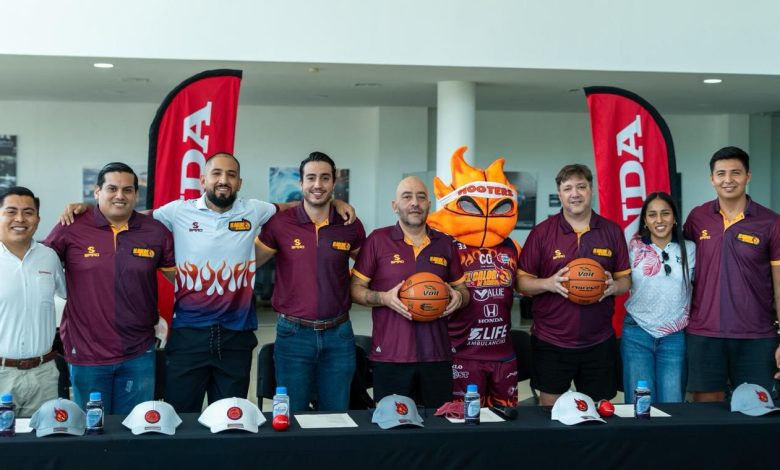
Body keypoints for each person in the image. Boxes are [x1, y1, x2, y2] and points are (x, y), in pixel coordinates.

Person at [45, 163, 175, 414]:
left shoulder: (155, 231)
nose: (120, 195)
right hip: (86, 352)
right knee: (92, 430)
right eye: (112, 188)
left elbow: (178, 278)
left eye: (128, 190)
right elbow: (39, 265)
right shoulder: (71, 226)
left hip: (138, 351)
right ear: (97, 192)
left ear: (136, 195)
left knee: (134, 428)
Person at [256, 151, 365, 412]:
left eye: (325, 178)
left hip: (339, 335)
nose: (318, 184)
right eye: (311, 178)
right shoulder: (279, 224)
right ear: (301, 183)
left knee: (337, 415)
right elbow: (247, 262)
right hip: (293, 334)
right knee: (292, 417)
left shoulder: (350, 225)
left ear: (334, 182)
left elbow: (371, 268)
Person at [351, 176, 470, 408]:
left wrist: (459, 298)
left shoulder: (444, 243)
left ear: (429, 205)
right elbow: (355, 290)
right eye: (407, 197)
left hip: (437, 355)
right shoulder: (378, 240)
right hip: (391, 355)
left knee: (438, 427)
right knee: (392, 426)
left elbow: (463, 290)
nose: (414, 202)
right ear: (395, 206)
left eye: (421, 197)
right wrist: (383, 297)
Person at [517, 164, 631, 407]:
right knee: (549, 408)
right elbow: (521, 282)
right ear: (559, 194)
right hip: (551, 340)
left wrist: (613, 287)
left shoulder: (611, 231)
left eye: (581, 186)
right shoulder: (542, 233)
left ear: (591, 190)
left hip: (598, 340)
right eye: (567, 188)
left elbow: (626, 281)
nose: (575, 193)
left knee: (600, 409)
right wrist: (549, 283)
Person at [426, 147, 522, 407]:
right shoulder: (444, 244)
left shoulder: (511, 246)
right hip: (462, 353)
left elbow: (525, 283)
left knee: (506, 420)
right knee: (466, 420)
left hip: (503, 351)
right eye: (471, 205)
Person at [683, 146, 780, 401]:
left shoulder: (771, 222)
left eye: (736, 173)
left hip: (757, 337)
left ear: (748, 176)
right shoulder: (697, 218)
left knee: (757, 416)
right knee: (706, 418)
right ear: (711, 179)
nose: (728, 180)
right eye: (721, 174)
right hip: (705, 334)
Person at [621, 192, 695, 403]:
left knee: (672, 404)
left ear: (675, 218)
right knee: (640, 404)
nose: (659, 220)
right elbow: (621, 281)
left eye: (665, 213)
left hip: (674, 334)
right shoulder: (632, 247)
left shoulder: (690, 249)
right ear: (645, 220)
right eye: (652, 215)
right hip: (637, 331)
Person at [0, 187, 65, 417]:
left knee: (40, 447)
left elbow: (71, 294)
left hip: (43, 375)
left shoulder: (49, 257)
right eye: (11, 211)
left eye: (28, 212)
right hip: (2, 374)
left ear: (37, 220)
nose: (20, 219)